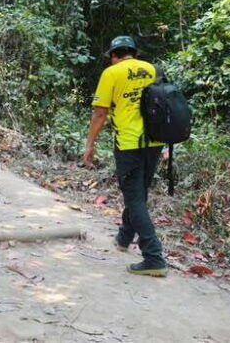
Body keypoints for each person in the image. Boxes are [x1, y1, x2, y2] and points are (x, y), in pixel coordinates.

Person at [83, 35, 167, 277]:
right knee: (138, 194)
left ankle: (153, 257)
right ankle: (124, 238)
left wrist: (89, 145)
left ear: (113, 55)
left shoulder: (112, 73)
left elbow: (100, 113)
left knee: (134, 199)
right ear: (133, 52)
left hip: (129, 144)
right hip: (155, 142)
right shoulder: (152, 69)